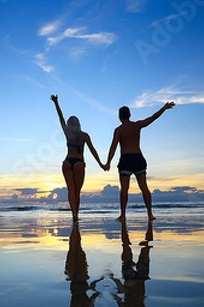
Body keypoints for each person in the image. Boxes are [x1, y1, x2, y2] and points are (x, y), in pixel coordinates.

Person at [103, 101, 175, 221]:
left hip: (126, 159)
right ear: (130, 115)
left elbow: (113, 147)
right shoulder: (137, 125)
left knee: (124, 189)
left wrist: (108, 162)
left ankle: (123, 215)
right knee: (144, 187)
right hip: (137, 157)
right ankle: (150, 214)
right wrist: (164, 108)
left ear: (120, 116)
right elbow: (152, 118)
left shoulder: (119, 130)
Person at [51, 95, 105, 223]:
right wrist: (102, 164)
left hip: (67, 162)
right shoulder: (84, 135)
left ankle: (73, 215)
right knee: (77, 191)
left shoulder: (67, 133)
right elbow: (93, 150)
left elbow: (61, 117)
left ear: (70, 124)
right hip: (79, 163)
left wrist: (56, 102)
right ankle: (76, 215)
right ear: (79, 124)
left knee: (71, 190)